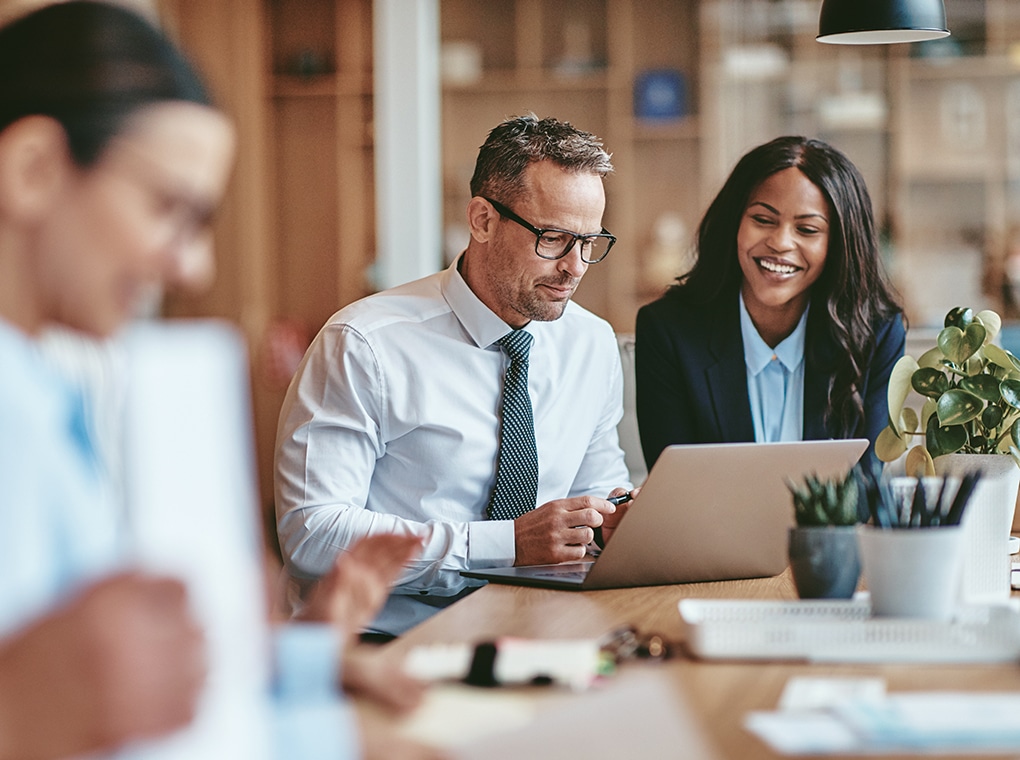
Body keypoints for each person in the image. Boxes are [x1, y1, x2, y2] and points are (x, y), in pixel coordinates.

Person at [0, 3, 437, 759]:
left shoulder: (50, 392)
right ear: (34, 169)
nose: (193, 267)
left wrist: (296, 658)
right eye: (170, 210)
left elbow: (90, 672)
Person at [276, 114, 634, 637]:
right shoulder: (364, 344)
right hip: (384, 641)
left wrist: (618, 518)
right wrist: (504, 545)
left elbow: (598, 486)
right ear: (483, 220)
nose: (576, 266)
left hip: (538, 634)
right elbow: (312, 535)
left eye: (590, 242)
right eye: (554, 238)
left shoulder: (591, 342)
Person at [635, 136, 905, 471]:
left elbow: (867, 488)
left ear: (839, 244)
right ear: (734, 222)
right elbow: (675, 485)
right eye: (763, 220)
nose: (780, 243)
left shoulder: (876, 334)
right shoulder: (667, 332)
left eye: (807, 229)